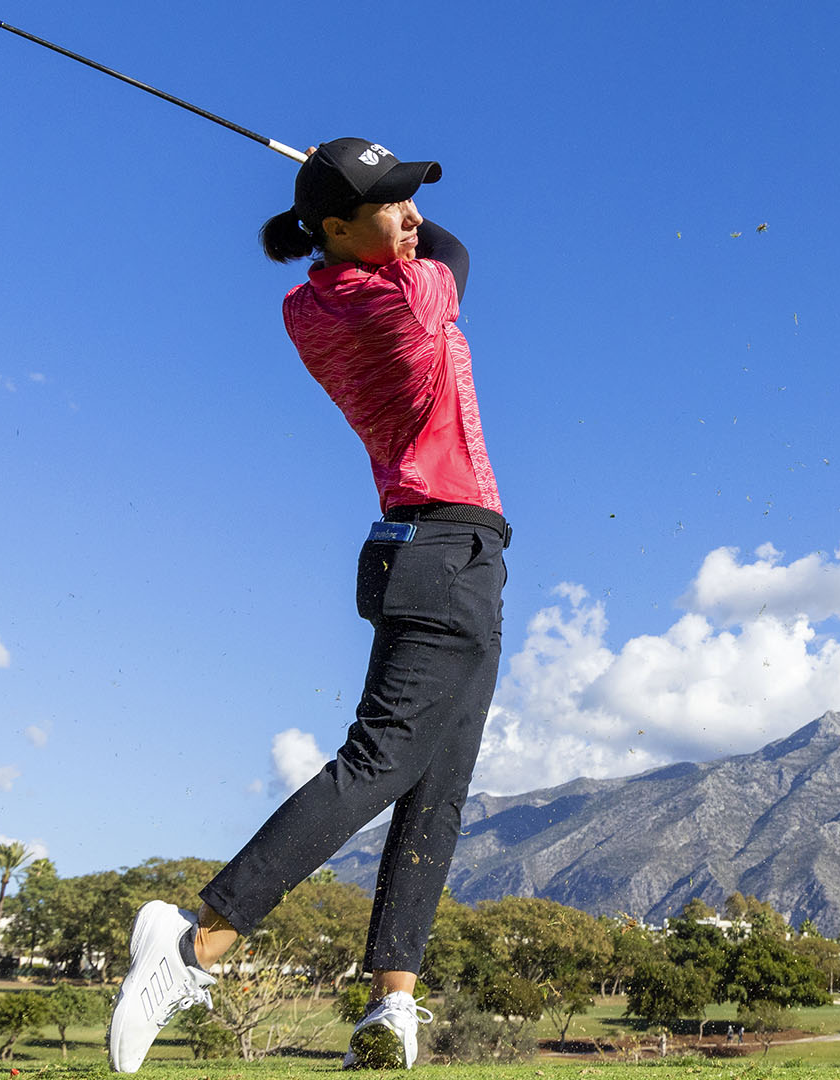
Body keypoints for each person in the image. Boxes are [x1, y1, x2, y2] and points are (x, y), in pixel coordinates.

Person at [106, 137, 509, 1073]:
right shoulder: (408, 299)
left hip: (442, 550)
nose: (412, 217)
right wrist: (364, 199)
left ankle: (388, 1007)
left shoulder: (309, 300)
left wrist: (359, 189)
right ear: (336, 227)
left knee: (436, 791)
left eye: (412, 201)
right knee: (380, 761)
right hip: (445, 549)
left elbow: (416, 239)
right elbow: (457, 253)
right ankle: (196, 941)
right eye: (393, 205)